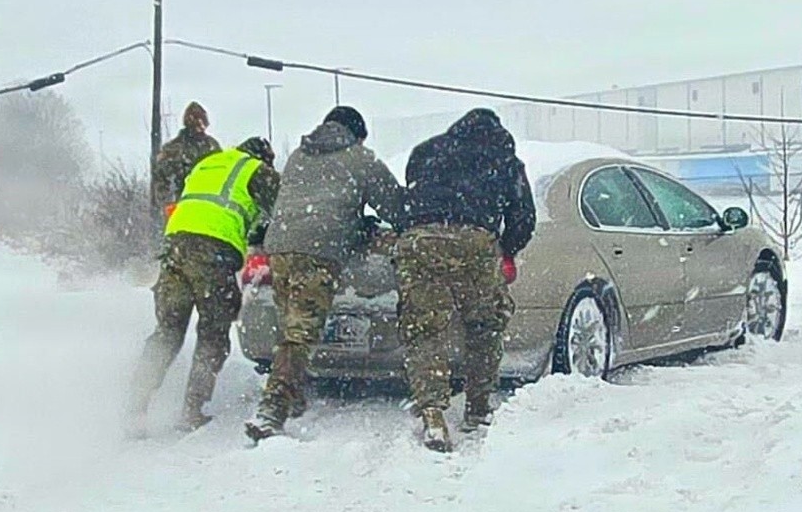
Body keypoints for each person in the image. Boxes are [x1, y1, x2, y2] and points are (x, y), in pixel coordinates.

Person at [246, 105, 403, 441]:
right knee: (300, 334)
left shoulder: (298, 156)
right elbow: (395, 206)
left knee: (291, 326)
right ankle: (271, 410)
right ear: (357, 135)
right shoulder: (360, 158)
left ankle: (294, 395)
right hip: (318, 250)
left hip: (279, 247)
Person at [395, 107, 536, 452]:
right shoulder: (505, 160)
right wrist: (505, 249)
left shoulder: (427, 151)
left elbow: (409, 196)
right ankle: (478, 407)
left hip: (419, 240)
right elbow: (524, 217)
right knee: (484, 326)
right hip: (475, 239)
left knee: (424, 329)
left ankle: (432, 414)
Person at [127, 136, 279, 435]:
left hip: (174, 249)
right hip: (213, 254)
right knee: (213, 333)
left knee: (168, 332)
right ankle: (193, 410)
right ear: (264, 159)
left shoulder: (208, 163)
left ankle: (134, 408)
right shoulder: (256, 170)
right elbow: (281, 215)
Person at [152, 101, 220, 216]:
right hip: (182, 206)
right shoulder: (173, 149)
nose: (200, 127)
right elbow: (161, 179)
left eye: (202, 122)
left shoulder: (212, 146)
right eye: (197, 122)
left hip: (209, 206)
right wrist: (168, 204)